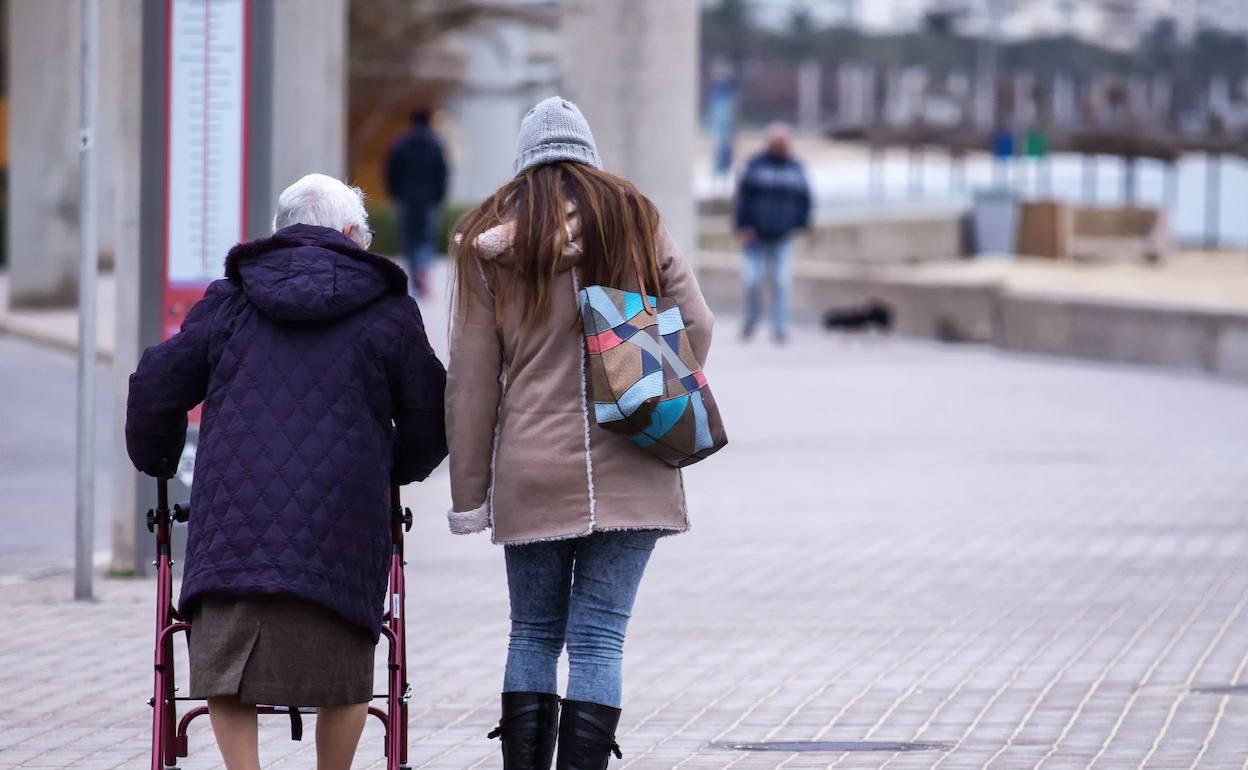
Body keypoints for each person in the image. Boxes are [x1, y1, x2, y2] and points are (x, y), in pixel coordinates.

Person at [125, 173, 448, 770]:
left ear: (281, 232)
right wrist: (390, 471)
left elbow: (154, 386)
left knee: (224, 667)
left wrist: (160, 460)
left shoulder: (229, 300)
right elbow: (432, 414)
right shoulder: (389, 309)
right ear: (352, 234)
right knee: (347, 671)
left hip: (234, 522)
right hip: (343, 524)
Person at [445, 97, 714, 770]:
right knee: (600, 638)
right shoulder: (634, 218)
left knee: (533, 632)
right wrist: (651, 385)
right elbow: (698, 322)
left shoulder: (486, 238)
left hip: (534, 468)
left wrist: (469, 495)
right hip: (635, 459)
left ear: (522, 163)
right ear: (589, 155)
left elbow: (472, 380)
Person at [733, 122, 811, 344]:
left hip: (782, 237)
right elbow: (742, 199)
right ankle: (751, 320)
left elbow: (804, 199)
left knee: (782, 281)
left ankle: (780, 327)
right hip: (755, 237)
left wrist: (799, 224)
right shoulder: (755, 166)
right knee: (752, 280)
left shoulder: (795, 168)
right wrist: (743, 226)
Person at [386, 108, 450, 296]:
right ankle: (424, 266)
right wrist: (439, 197)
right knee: (426, 239)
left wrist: (395, 194)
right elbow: (443, 173)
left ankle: (415, 279)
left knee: (409, 240)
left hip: (406, 200)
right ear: (428, 122)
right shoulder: (435, 144)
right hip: (429, 200)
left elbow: (390, 172)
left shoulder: (400, 144)